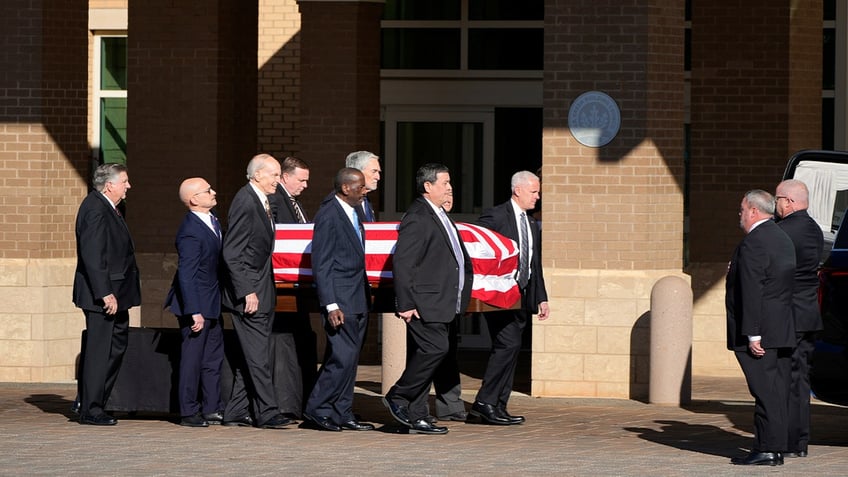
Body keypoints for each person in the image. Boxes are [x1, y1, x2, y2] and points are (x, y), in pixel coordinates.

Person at [383, 163, 474, 435]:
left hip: (442, 302)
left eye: (449, 182)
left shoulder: (440, 214)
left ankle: (415, 414)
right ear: (428, 186)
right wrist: (406, 303)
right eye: (444, 183)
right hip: (425, 303)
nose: (449, 187)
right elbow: (403, 262)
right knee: (435, 349)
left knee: (429, 354)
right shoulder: (418, 217)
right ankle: (398, 396)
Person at [470, 170, 550, 426]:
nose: (537, 197)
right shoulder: (495, 216)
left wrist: (541, 297)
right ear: (518, 190)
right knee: (507, 344)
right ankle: (484, 402)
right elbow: (478, 248)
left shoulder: (530, 222)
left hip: (522, 295)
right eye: (533, 192)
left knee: (513, 348)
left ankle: (498, 405)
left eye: (538, 192)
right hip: (499, 294)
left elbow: (534, 263)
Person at [221, 153, 293, 429]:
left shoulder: (262, 201)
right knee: (259, 355)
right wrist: (247, 291)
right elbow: (232, 252)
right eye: (274, 175)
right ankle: (267, 412)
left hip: (262, 291)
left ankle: (237, 410)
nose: (278, 180)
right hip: (250, 296)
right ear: (257, 175)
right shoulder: (245, 201)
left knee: (252, 355)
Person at [726, 189, 796, 466]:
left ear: (754, 211)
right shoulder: (781, 237)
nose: (740, 216)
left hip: (762, 332)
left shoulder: (755, 242)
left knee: (764, 391)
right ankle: (776, 447)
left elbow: (754, 290)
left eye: (742, 210)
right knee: (776, 391)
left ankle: (767, 448)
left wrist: (753, 333)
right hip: (781, 328)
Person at [302, 168, 373, 432]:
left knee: (350, 358)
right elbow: (322, 264)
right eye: (361, 187)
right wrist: (331, 304)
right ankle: (317, 409)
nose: (365, 191)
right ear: (345, 188)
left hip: (357, 296)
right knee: (341, 357)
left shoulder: (356, 210)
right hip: (341, 300)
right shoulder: (329, 214)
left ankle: (342, 412)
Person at [73, 163, 141, 426]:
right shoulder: (94, 209)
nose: (129, 186)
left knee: (116, 346)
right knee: (100, 351)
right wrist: (105, 293)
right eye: (125, 181)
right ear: (110, 184)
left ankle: (95, 400)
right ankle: (91, 408)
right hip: (102, 295)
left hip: (118, 292)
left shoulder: (111, 207)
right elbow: (93, 255)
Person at [164, 178, 226, 427]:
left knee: (213, 358)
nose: (213, 192)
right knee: (192, 360)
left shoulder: (212, 221)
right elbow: (186, 274)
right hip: (196, 306)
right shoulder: (190, 230)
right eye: (207, 191)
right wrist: (194, 311)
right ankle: (189, 411)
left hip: (212, 302)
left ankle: (211, 407)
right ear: (194, 199)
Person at [774, 179, 824, 458]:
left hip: (789, 316)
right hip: (807, 314)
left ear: (789, 202)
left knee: (786, 380)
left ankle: (789, 441)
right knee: (800, 380)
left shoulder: (783, 231)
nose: (776, 204)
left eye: (778, 198)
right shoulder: (814, 229)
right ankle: (800, 441)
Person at [268, 155, 317, 418]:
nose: (305, 185)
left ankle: (297, 400)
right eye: (302, 179)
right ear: (285, 177)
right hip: (282, 287)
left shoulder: (294, 203)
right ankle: (285, 403)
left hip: (298, 287)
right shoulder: (276, 201)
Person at [431, 195, 468, 423]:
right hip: (433, 301)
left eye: (452, 192)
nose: (449, 196)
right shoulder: (426, 221)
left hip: (451, 300)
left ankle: (450, 406)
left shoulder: (449, 223)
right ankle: (412, 405)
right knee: (431, 353)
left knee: (448, 354)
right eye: (445, 189)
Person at [345, 150, 381, 222]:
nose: (378, 177)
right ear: (357, 172)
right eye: (374, 171)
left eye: (378, 172)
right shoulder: (342, 202)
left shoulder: (365, 200)